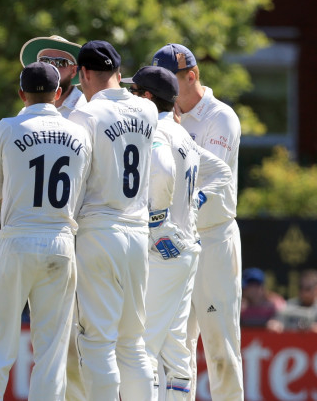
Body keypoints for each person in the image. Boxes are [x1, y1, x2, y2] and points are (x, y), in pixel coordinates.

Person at [0, 62, 91, 400]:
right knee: (51, 354)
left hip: (17, 239)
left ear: (21, 93)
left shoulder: (8, 127)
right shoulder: (80, 133)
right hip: (61, 241)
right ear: (57, 94)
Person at [126, 66, 232, 399]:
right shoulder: (181, 132)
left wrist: (158, 222)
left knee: (142, 346)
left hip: (163, 250)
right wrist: (195, 200)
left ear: (146, 96)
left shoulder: (154, 131)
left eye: (134, 92)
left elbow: (160, 168)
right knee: (174, 348)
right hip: (188, 249)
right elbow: (221, 171)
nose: (129, 97)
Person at [67, 40, 158, 399]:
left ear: (85, 73)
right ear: (119, 73)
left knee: (98, 343)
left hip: (98, 230)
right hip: (137, 232)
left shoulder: (85, 114)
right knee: (133, 342)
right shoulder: (148, 111)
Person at [152, 43, 243, 400]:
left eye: (170, 80)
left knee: (220, 344)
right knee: (176, 344)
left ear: (191, 76)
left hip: (212, 237)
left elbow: (206, 181)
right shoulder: (163, 114)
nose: (165, 88)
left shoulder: (220, 117)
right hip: (176, 241)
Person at [19, 34, 87, 400]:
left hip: (79, 233)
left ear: (75, 70)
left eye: (61, 63)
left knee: (77, 339)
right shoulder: (26, 112)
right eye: (46, 62)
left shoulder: (88, 110)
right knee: (47, 339)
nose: (53, 70)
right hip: (36, 236)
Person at [20, 35, 86, 117]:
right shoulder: (24, 113)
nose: (51, 67)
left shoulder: (85, 110)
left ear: (73, 71)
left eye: (61, 62)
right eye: (44, 61)